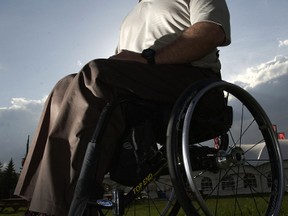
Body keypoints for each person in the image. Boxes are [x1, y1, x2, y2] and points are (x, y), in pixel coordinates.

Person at [15, 0, 231, 215]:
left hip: (192, 81)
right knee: (65, 87)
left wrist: (148, 58)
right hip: (143, 91)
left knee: (96, 74)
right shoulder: (132, 16)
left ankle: (57, 207)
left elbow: (210, 33)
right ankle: (45, 202)